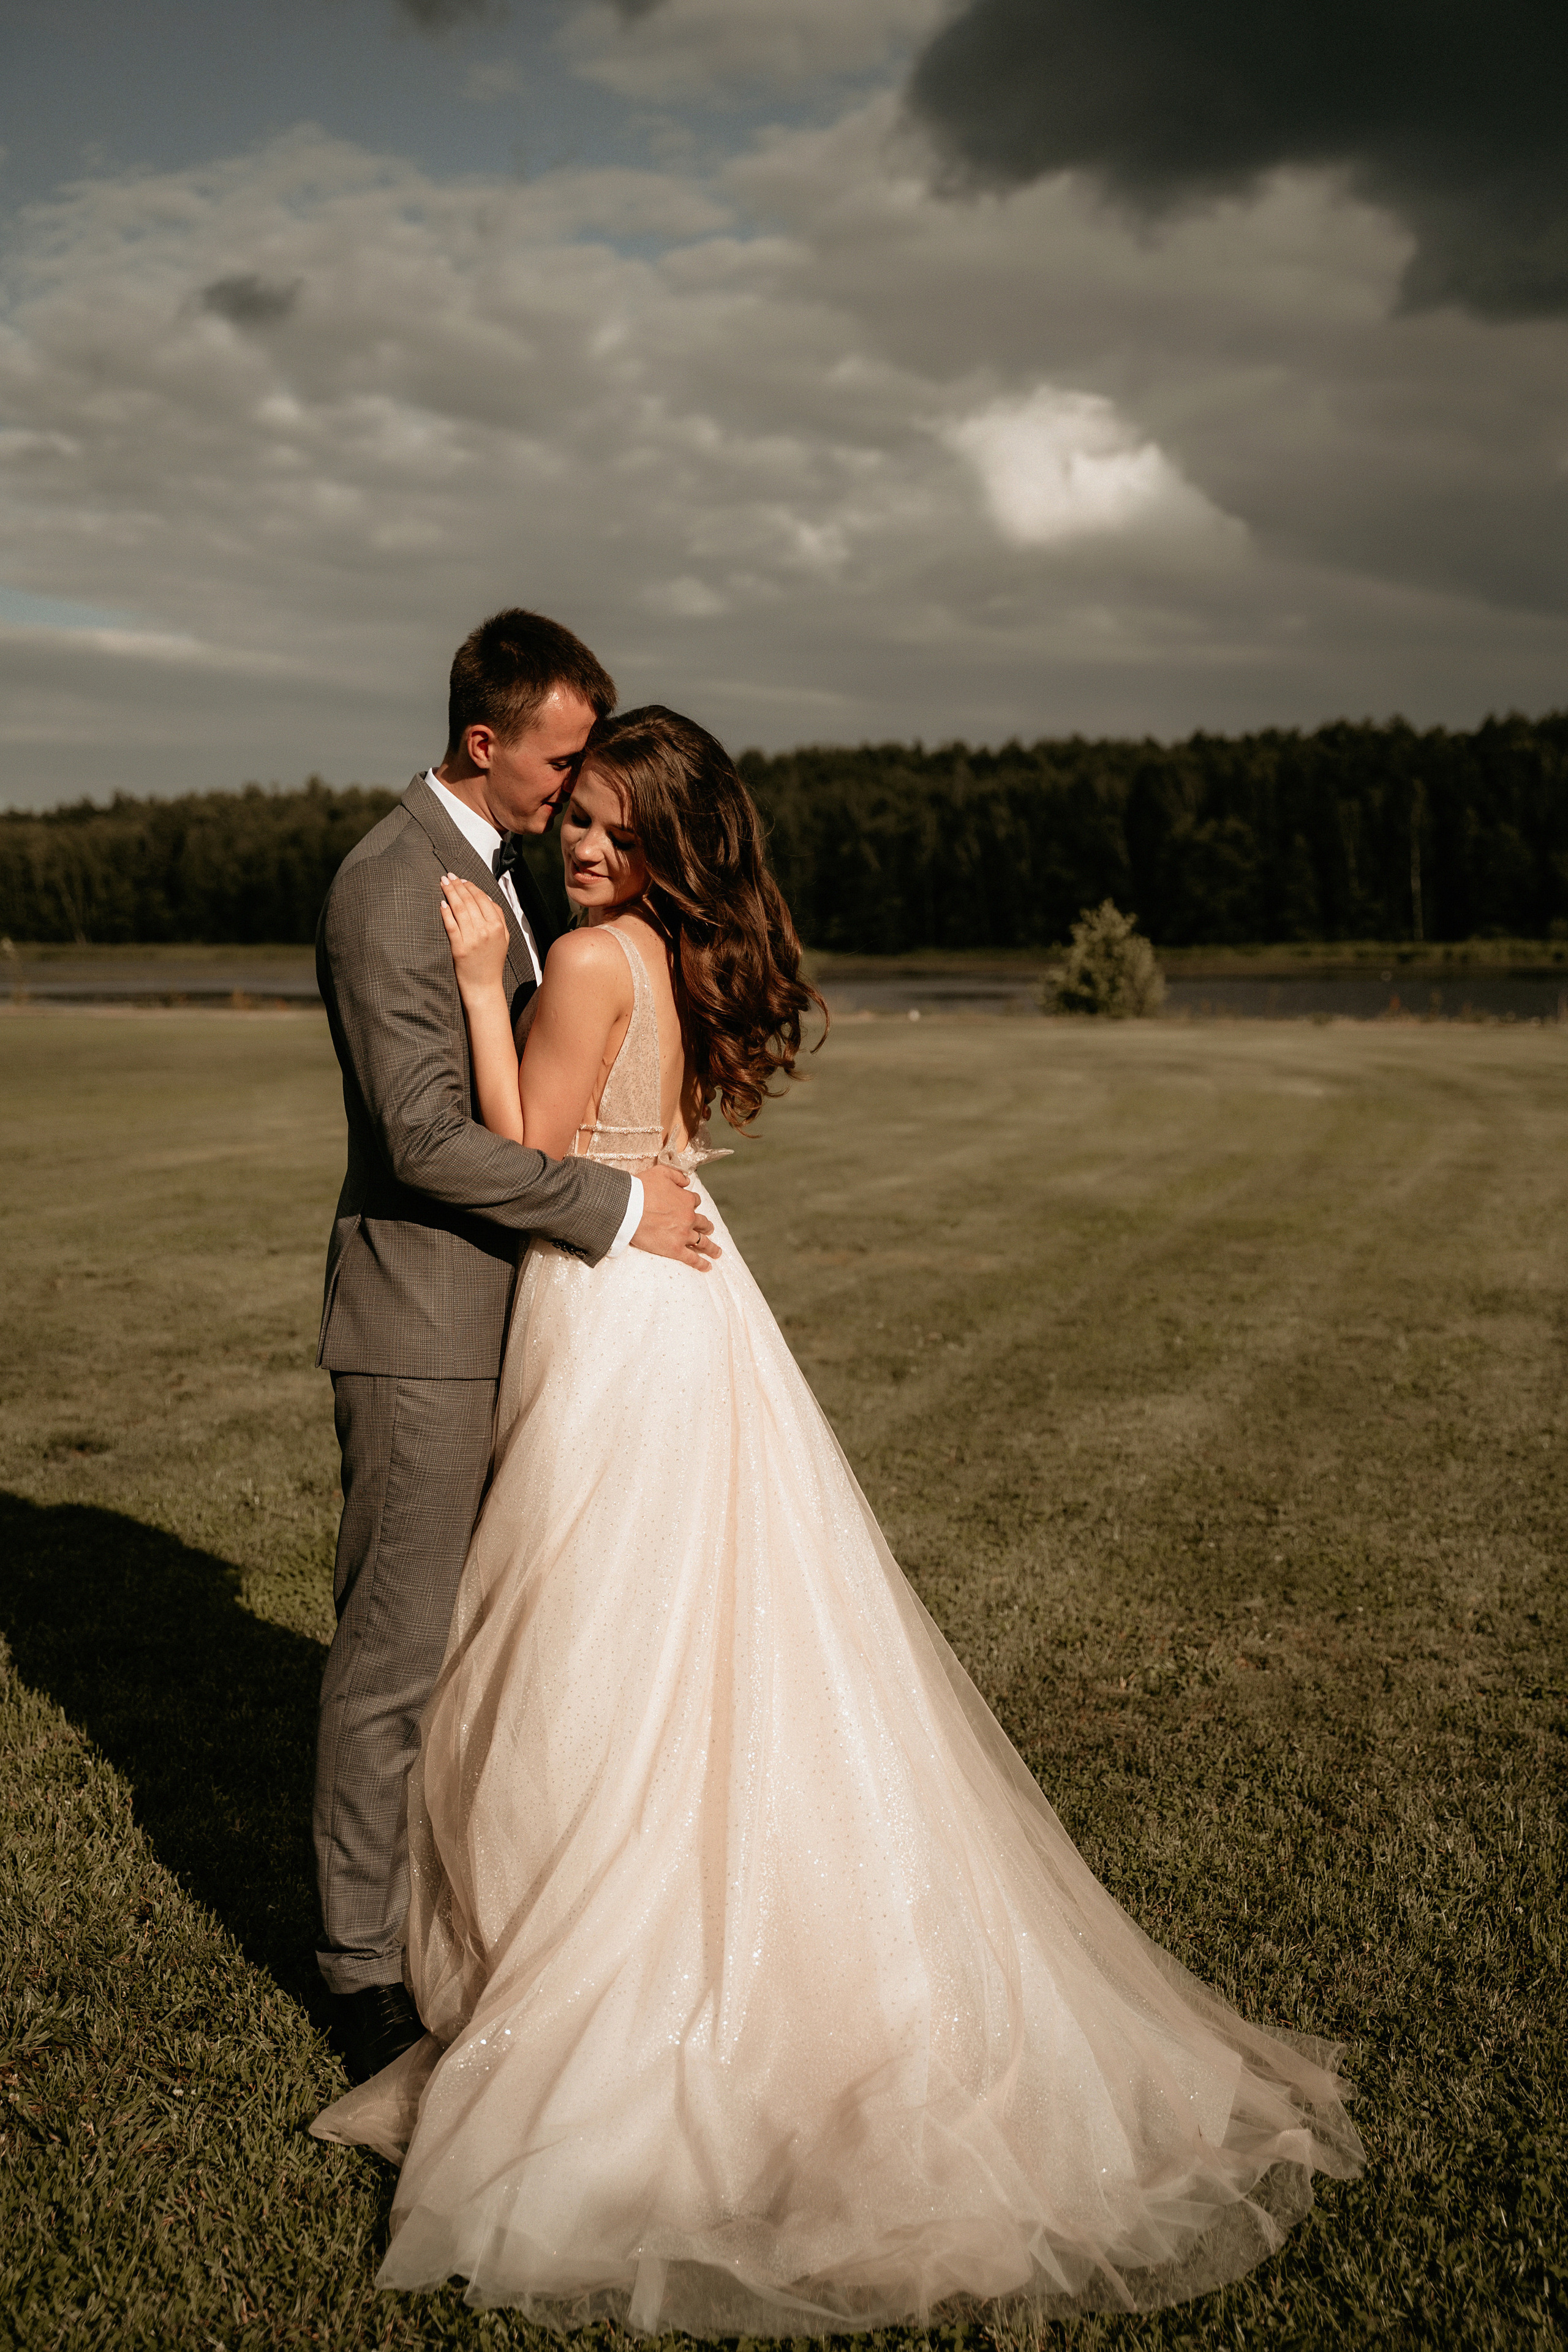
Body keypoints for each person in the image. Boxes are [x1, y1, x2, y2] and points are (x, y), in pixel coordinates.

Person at [313, 707, 1363, 2331]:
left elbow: (525, 1149)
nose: (583, 845)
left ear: (666, 845)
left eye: (614, 828)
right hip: (684, 1298)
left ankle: (605, 1945)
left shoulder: (586, 959)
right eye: (577, 817)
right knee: (695, 1616)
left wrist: (468, 982)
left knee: (594, 1630)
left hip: (609, 1307)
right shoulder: (663, 949)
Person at [312, 615, 716, 2087]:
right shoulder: (388, 883)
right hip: (424, 1331)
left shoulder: (504, 875)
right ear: (484, 743)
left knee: (508, 1648)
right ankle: (359, 1974)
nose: (575, 786)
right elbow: (424, 1141)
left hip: (532, 1328)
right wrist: (611, 1205)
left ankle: (478, 1914)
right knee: (395, 1657)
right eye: (560, 761)